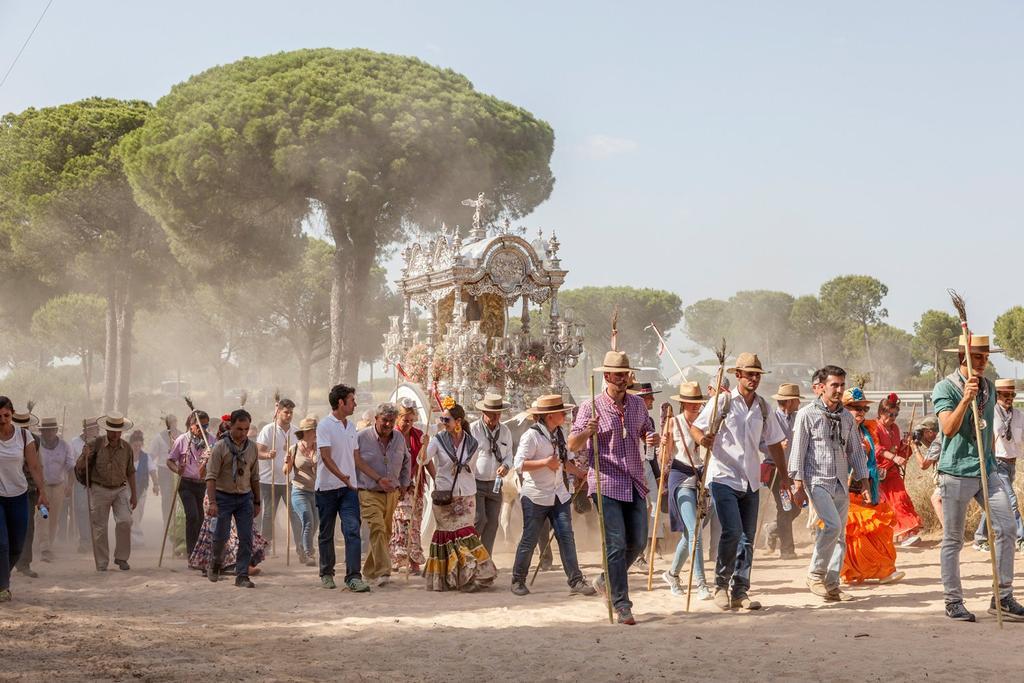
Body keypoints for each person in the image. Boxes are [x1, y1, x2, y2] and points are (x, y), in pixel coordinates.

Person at [932, 333, 1024, 622]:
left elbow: (988, 428)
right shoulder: (945, 387)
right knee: (954, 539)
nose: (983, 362)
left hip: (987, 469)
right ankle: (953, 601)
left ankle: (1002, 596)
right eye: (977, 357)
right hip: (955, 471)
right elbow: (948, 428)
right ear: (963, 358)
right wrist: (965, 399)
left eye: (986, 357)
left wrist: (994, 461)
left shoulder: (989, 387)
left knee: (1007, 527)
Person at [691, 352, 788, 612]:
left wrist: (785, 475)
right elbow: (696, 428)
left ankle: (740, 591)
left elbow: (774, 443)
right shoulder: (722, 402)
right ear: (738, 375)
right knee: (732, 531)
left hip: (751, 480)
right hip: (723, 476)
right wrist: (702, 440)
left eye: (757, 375)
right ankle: (720, 586)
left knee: (747, 538)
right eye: (749, 374)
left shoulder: (763, 407)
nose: (754, 379)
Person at [568, 351, 660, 625]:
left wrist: (651, 437)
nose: (622, 379)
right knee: (616, 543)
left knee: (639, 541)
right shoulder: (591, 407)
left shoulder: (638, 404)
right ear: (607, 376)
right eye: (617, 375)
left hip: (634, 480)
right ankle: (622, 604)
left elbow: (646, 430)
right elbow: (572, 443)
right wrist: (588, 432)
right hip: (606, 482)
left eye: (625, 374)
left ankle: (605, 579)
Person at [788, 367, 870, 602]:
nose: (839, 389)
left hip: (840, 482)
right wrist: (798, 485)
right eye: (834, 385)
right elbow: (798, 451)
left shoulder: (846, 417)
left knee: (840, 535)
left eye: (842, 385)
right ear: (821, 387)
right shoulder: (807, 414)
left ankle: (832, 585)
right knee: (833, 526)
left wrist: (864, 481)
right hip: (816, 481)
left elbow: (855, 451)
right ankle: (815, 575)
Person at [510, 395, 596, 597]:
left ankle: (576, 580)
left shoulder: (560, 433)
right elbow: (519, 465)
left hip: (559, 494)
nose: (565, 415)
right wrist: (545, 463)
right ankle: (518, 579)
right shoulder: (531, 436)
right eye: (561, 412)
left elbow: (564, 462)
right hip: (536, 496)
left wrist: (580, 473)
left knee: (566, 537)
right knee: (530, 538)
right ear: (550, 416)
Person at [424, 399, 498, 592]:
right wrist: (424, 445)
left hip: (466, 494)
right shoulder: (437, 440)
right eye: (442, 419)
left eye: (446, 419)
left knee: (466, 534)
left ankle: (471, 576)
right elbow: (422, 460)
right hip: (444, 495)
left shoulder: (472, 443)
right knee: (447, 535)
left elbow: (470, 469)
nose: (443, 423)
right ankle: (452, 578)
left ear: (458, 421)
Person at [840, 387, 904, 586]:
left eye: (864, 409)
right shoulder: (837, 430)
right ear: (844, 409)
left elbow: (873, 456)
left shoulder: (867, 431)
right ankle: (849, 572)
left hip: (866, 487)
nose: (861, 412)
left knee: (877, 531)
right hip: (844, 490)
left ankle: (885, 570)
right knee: (855, 535)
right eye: (855, 408)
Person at [659, 382, 712, 600]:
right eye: (690, 403)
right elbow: (664, 460)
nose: (694, 406)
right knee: (695, 532)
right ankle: (701, 584)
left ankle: (672, 574)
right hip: (680, 478)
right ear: (682, 403)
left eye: (697, 402)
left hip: (701, 480)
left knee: (690, 533)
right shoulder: (674, 422)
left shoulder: (705, 422)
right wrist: (664, 444)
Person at [315, 384, 370, 592]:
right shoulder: (324, 426)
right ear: (341, 402)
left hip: (349, 490)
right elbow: (326, 457)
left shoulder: (352, 426)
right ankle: (326, 573)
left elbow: (357, 459)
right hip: (327, 488)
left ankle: (353, 576)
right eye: (352, 400)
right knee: (326, 532)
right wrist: (342, 477)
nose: (355, 404)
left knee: (352, 530)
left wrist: (377, 478)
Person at [355, 402, 411, 587]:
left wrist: (404, 484)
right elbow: (353, 462)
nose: (388, 424)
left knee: (385, 533)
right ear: (376, 418)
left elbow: (407, 461)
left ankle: (369, 571)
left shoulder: (399, 438)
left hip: (392, 493)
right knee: (378, 528)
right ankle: (384, 571)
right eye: (384, 420)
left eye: (391, 421)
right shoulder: (361, 437)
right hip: (368, 491)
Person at [205, 409, 261, 588]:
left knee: (246, 537)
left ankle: (242, 575)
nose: (243, 433)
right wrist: (212, 502)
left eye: (246, 429)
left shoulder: (252, 448)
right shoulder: (220, 447)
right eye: (239, 429)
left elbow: (254, 476)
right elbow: (211, 477)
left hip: (245, 497)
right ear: (231, 426)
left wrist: (257, 501)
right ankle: (215, 562)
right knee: (222, 535)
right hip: (223, 496)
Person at [0, 396, 48, 603]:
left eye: (6, 415)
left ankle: (2, 576)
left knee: (17, 546)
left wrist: (42, 492)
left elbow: (34, 466)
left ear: (12, 414)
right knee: (2, 543)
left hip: (19, 495)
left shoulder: (24, 436)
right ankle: (3, 587)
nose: (2, 420)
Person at [78, 413, 138, 572]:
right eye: (113, 431)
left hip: (120, 489)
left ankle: (121, 557)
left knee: (125, 521)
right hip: (99, 489)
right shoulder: (94, 444)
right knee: (100, 527)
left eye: (118, 431)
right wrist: (84, 456)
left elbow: (131, 472)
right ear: (107, 430)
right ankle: (102, 562)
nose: (116, 435)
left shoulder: (127, 448)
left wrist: (134, 494)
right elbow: (80, 466)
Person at [972, 379, 1024, 553]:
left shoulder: (1019, 415)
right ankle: (1021, 538)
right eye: (1005, 394)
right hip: (996, 463)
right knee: (1010, 500)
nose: (1010, 398)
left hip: (1011, 464)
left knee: (995, 501)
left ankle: (980, 538)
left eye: (1012, 394)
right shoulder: (989, 414)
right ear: (997, 395)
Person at [390, 401, 434, 575]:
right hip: (398, 487)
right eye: (405, 420)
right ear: (397, 419)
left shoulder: (419, 436)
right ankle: (397, 558)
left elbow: (426, 460)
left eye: (410, 420)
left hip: (416, 486)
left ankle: (414, 560)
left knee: (415, 523)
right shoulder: (392, 436)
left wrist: (436, 479)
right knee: (401, 522)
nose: (408, 424)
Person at [874, 393, 923, 547]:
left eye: (896, 415)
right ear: (881, 412)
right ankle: (893, 535)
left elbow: (897, 449)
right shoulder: (874, 427)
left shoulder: (895, 428)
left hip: (893, 472)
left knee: (901, 498)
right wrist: (894, 457)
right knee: (885, 505)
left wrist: (905, 444)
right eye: (890, 414)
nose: (893, 418)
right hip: (877, 474)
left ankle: (908, 533)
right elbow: (876, 449)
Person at [761, 383, 803, 560]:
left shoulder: (797, 418)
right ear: (790, 401)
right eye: (797, 400)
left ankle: (772, 528)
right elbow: (760, 444)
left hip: (793, 471)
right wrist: (776, 448)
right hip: (775, 470)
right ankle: (787, 549)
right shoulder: (771, 419)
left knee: (797, 507)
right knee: (785, 506)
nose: (799, 403)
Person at [470, 393, 513, 557]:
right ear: (484, 412)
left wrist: (506, 465)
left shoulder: (505, 431)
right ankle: (471, 554)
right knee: (479, 519)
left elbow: (509, 455)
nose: (496, 417)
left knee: (493, 522)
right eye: (492, 414)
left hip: (496, 483)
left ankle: (486, 558)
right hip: (476, 482)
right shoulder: (473, 429)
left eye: (498, 414)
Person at [627, 382, 665, 567]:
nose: (653, 400)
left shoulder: (649, 420)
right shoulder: (628, 417)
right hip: (632, 469)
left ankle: (653, 545)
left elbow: (651, 453)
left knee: (656, 506)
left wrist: (657, 475)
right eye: (649, 397)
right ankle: (638, 553)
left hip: (647, 467)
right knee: (640, 509)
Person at [167, 411, 212, 557]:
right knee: (192, 515)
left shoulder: (211, 440)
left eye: (205, 426)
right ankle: (191, 552)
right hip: (186, 483)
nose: (202, 429)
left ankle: (199, 551)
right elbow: (170, 461)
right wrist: (177, 470)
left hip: (203, 484)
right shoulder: (182, 440)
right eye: (199, 426)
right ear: (191, 425)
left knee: (201, 518)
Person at [256, 397, 296, 552]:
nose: (289, 415)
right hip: (269, 480)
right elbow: (257, 452)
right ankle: (265, 546)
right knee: (268, 515)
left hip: (290, 480)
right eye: (286, 412)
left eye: (291, 412)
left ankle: (301, 547)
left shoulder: (295, 431)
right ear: (278, 412)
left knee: (295, 513)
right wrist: (267, 455)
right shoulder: (268, 430)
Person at [37, 417, 74, 562]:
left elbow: (70, 467)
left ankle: (49, 546)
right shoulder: (37, 445)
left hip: (59, 486)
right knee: (43, 516)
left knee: (54, 518)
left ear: (56, 430)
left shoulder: (65, 446)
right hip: (43, 487)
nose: (49, 433)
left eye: (52, 430)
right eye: (46, 430)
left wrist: (70, 485)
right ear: (42, 432)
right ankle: (44, 547)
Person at [284, 416, 319, 566]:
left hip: (316, 491)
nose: (315, 432)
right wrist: (287, 463)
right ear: (304, 432)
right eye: (312, 430)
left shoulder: (320, 447)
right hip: (299, 491)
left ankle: (301, 546)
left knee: (315, 523)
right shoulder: (294, 449)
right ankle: (309, 554)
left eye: (315, 430)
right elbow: (286, 471)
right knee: (308, 520)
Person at [12, 407, 41, 578]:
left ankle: (24, 563)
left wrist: (41, 490)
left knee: (28, 527)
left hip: (28, 489)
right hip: (6, 488)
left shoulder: (35, 440)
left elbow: (37, 466)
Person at [148, 415, 180, 554]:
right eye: (170, 422)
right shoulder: (159, 438)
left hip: (178, 470)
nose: (173, 424)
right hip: (164, 470)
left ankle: (177, 524)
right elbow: (151, 456)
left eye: (174, 421)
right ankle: (167, 521)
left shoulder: (181, 436)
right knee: (167, 496)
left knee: (179, 497)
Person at [70, 417, 100, 553]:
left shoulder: (100, 442)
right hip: (81, 482)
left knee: (96, 511)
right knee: (82, 510)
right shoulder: (75, 443)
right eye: (91, 429)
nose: (94, 431)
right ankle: (84, 540)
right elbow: (71, 463)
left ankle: (96, 540)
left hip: (97, 482)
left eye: (96, 429)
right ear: (85, 430)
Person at [911, 416, 943, 526]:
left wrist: (915, 447)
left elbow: (923, 465)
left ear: (930, 432)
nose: (923, 435)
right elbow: (933, 450)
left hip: (946, 478)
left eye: (923, 432)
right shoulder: (944, 437)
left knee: (936, 499)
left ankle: (948, 531)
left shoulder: (938, 442)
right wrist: (921, 439)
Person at [128, 430, 157, 547]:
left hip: (142, 490)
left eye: (139, 446)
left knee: (139, 513)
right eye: (135, 446)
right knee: (133, 514)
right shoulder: (126, 457)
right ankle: (137, 540)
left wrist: (156, 484)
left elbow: (152, 470)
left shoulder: (146, 457)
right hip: (128, 490)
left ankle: (132, 534)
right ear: (131, 445)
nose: (137, 448)